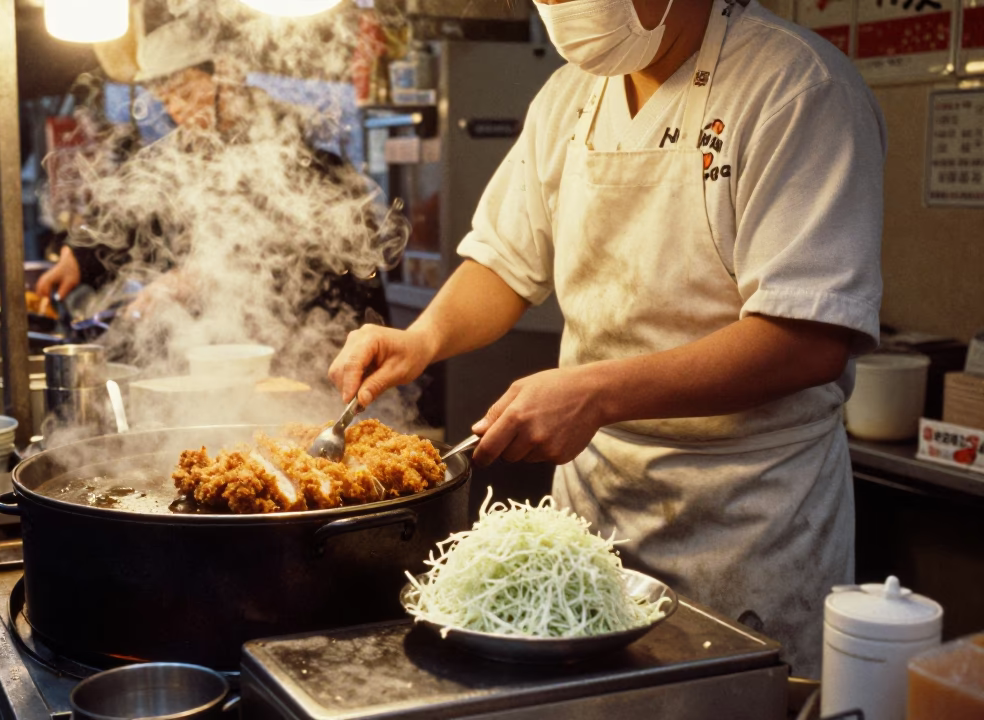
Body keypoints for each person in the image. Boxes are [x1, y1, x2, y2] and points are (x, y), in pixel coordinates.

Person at [329, 0, 884, 678]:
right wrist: (422, 338)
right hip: (591, 515)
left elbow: (809, 336)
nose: (564, 8)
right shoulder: (568, 94)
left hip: (749, 521)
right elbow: (505, 262)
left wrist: (595, 392)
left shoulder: (796, 87)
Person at [36, 13, 390, 326]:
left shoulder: (295, 153)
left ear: (228, 76)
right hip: (230, 345)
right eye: (167, 101)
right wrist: (78, 257)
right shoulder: (186, 155)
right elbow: (133, 214)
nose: (177, 111)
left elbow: (308, 255)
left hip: (319, 346)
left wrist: (201, 278)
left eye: (186, 93)